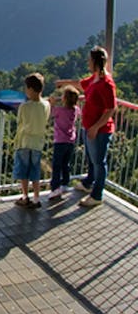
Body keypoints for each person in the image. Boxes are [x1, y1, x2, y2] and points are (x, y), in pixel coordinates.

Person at [56, 46, 117, 207]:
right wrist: (64, 83)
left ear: (95, 62)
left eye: (89, 59)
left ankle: (97, 195)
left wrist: (96, 127)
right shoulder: (95, 78)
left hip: (100, 130)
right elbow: (80, 84)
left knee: (99, 162)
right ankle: (88, 182)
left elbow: (111, 108)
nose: (87, 62)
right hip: (89, 126)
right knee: (91, 159)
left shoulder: (106, 83)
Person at [12, 72, 50, 209]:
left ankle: (25, 196)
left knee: (23, 171)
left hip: (24, 142)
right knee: (35, 172)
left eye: (26, 88)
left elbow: (20, 122)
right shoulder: (46, 105)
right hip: (37, 143)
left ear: (31, 90)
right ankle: (36, 198)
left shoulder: (24, 107)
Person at [47, 86, 81, 201]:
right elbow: (78, 110)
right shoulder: (75, 110)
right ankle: (65, 183)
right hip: (70, 141)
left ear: (64, 99)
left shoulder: (59, 111)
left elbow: (51, 113)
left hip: (60, 141)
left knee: (56, 165)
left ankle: (55, 188)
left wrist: (52, 103)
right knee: (65, 164)